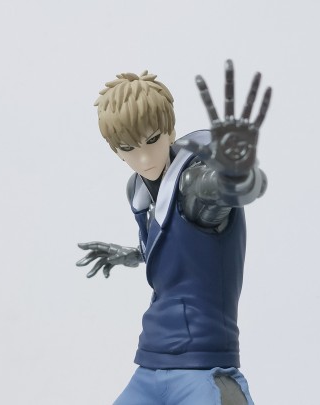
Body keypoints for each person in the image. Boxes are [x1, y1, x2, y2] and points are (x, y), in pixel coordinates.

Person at [77, 60, 271, 405]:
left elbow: (232, 190)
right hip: (149, 362)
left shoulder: (194, 183)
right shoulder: (139, 191)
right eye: (128, 149)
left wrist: (239, 171)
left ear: (169, 131)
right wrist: (132, 254)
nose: (143, 158)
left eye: (152, 140)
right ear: (116, 151)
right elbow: (180, 248)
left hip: (202, 366)